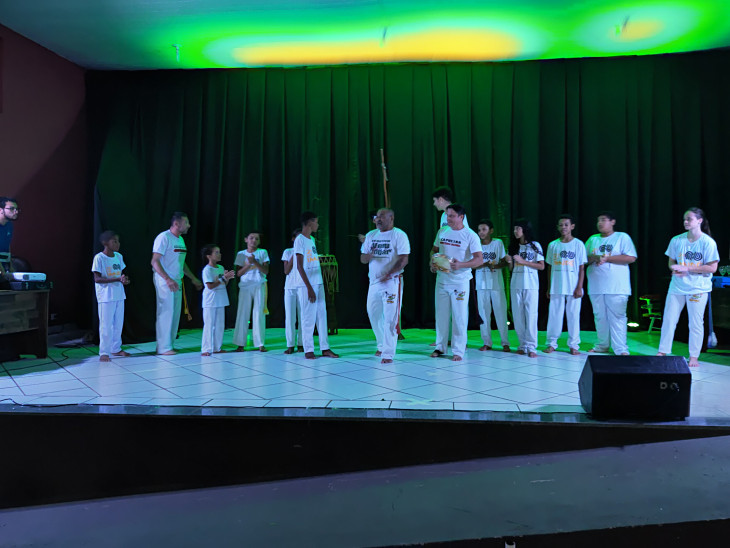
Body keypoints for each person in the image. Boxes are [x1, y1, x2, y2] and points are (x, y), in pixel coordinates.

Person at [657, 207, 719, 367]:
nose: (685, 221)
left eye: (689, 219)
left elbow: (712, 268)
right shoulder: (676, 240)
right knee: (669, 320)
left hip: (698, 288)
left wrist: (687, 268)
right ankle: (662, 351)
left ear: (699, 221)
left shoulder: (708, 242)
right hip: (677, 287)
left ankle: (694, 357)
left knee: (695, 323)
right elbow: (671, 261)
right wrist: (674, 268)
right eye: (684, 219)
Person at [430, 204, 483, 361]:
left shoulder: (470, 235)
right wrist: (432, 262)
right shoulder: (442, 231)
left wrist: (461, 265)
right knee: (441, 315)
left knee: (459, 316)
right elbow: (434, 250)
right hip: (442, 280)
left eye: (452, 216)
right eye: (447, 215)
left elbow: (479, 259)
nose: (449, 219)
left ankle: (458, 350)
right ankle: (440, 347)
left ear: (461, 217)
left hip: (460, 281)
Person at [360, 208, 410, 364]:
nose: (378, 219)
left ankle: (388, 353)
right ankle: (381, 345)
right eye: (377, 217)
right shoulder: (371, 235)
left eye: (382, 216)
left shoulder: (399, 235)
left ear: (391, 218)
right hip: (374, 282)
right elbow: (363, 259)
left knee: (390, 318)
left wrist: (389, 273)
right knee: (373, 315)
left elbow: (404, 259)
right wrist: (368, 256)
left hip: (392, 282)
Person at [584, 211, 638, 356]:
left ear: (612, 222)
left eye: (603, 220)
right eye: (598, 220)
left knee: (617, 317)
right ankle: (602, 345)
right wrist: (595, 257)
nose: (600, 223)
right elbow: (583, 259)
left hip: (617, 286)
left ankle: (620, 348)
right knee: (600, 317)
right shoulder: (593, 239)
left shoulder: (622, 237)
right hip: (596, 286)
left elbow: (631, 257)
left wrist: (607, 258)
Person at [151, 212, 203, 355]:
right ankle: (163, 347)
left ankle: (169, 344)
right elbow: (154, 261)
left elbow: (181, 263)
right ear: (176, 224)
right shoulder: (164, 237)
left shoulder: (180, 240)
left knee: (174, 314)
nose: (189, 225)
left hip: (176, 280)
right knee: (166, 312)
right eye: (186, 223)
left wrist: (193, 278)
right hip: (164, 280)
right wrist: (167, 279)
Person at [293, 211, 339, 359]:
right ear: (310, 222)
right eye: (316, 222)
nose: (318, 225)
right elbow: (299, 266)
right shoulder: (299, 240)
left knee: (321, 315)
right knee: (308, 317)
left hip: (318, 282)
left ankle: (325, 348)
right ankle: (308, 349)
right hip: (307, 285)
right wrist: (309, 288)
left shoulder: (311, 239)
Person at [544, 215, 587, 355]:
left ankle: (574, 345)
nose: (563, 227)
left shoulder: (578, 244)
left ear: (572, 226)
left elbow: (581, 267)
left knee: (573, 316)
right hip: (557, 285)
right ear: (558, 227)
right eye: (561, 225)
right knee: (554, 315)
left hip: (573, 286)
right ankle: (551, 343)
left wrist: (579, 287)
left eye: (566, 225)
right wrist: (549, 287)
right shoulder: (553, 245)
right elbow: (549, 267)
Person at [506, 219, 544, 358]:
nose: (515, 231)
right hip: (516, 284)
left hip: (531, 285)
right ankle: (522, 345)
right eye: (514, 229)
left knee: (531, 315)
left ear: (525, 230)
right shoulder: (513, 247)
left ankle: (532, 346)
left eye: (518, 228)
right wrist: (509, 262)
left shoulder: (535, 245)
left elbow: (541, 266)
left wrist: (523, 261)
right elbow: (511, 268)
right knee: (518, 316)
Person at [92, 231, 131, 362]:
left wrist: (124, 280)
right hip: (106, 297)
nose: (117, 244)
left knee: (118, 324)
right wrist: (117, 279)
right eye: (114, 241)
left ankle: (116, 348)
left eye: (118, 241)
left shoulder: (119, 256)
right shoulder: (99, 258)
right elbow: (97, 279)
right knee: (106, 325)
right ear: (105, 243)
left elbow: (120, 275)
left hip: (119, 295)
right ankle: (104, 352)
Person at [473, 220, 510, 352]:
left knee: (501, 313)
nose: (481, 232)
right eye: (479, 230)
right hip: (481, 284)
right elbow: (472, 265)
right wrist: (484, 264)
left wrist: (494, 266)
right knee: (483, 314)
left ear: (491, 230)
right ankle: (487, 342)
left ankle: (505, 342)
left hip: (496, 284)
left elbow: (504, 262)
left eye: (484, 229)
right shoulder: (475, 244)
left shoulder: (498, 243)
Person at [233, 231, 270, 352]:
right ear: (246, 240)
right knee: (242, 313)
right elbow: (239, 273)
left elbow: (266, 271)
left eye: (257, 239)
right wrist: (248, 264)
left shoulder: (262, 252)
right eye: (251, 238)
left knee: (259, 313)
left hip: (259, 285)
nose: (254, 240)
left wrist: (255, 262)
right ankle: (240, 343)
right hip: (245, 286)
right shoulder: (241, 254)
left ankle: (260, 343)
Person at [200, 244, 235, 356]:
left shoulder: (220, 267)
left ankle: (217, 347)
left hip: (221, 299)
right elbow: (210, 286)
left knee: (220, 325)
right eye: (216, 252)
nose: (219, 254)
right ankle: (206, 349)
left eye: (219, 252)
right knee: (209, 325)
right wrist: (223, 278)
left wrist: (227, 278)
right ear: (209, 256)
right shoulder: (207, 270)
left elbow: (223, 283)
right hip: (210, 301)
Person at [282, 228, 304, 354]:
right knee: (290, 317)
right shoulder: (288, 251)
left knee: (303, 317)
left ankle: (301, 343)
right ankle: (290, 344)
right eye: (297, 237)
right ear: (293, 239)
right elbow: (286, 271)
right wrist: (295, 252)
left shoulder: (306, 251)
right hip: (290, 287)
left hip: (302, 287)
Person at [0, 197, 19, 279]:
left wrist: (10, 266)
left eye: (16, 209)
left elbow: (7, 245)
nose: (16, 212)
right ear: (1, 210)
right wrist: (1, 270)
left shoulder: (9, 225)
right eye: (11, 209)